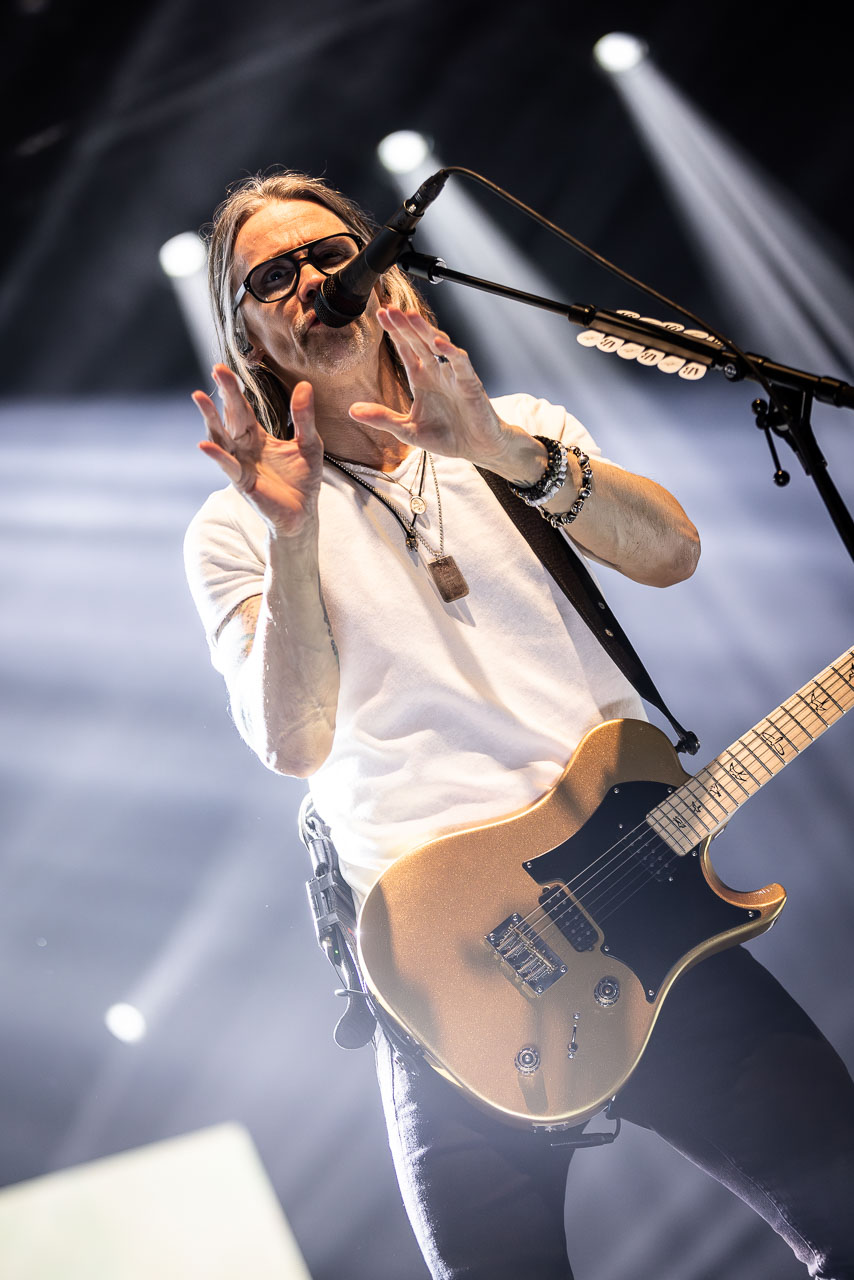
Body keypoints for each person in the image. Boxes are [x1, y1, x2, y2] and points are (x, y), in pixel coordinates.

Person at [184, 171, 854, 1279]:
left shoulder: (523, 429)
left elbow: (673, 554)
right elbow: (293, 743)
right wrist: (292, 538)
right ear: (247, 327)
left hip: (645, 910)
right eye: (274, 276)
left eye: (332, 254)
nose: (312, 281)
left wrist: (499, 449)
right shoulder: (233, 528)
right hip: (455, 976)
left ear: (381, 271)